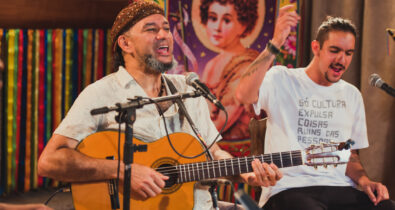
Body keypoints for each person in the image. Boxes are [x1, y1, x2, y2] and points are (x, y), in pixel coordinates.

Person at [37, 1, 282, 209]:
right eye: (151, 29)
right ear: (126, 44)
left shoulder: (189, 88)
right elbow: (49, 162)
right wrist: (122, 170)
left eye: (166, 28)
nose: (164, 35)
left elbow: (213, 153)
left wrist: (245, 174)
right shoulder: (101, 94)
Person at [236, 5, 395, 210]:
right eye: (335, 50)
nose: (342, 60)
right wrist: (275, 44)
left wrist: (364, 181)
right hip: (289, 188)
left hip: (339, 188)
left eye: (348, 53)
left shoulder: (352, 94)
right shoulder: (282, 78)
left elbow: (350, 155)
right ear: (316, 48)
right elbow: (243, 94)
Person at [199, 0, 260, 157]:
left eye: (226, 20)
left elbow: (220, 123)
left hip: (239, 158)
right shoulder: (211, 64)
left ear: (243, 25)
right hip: (212, 152)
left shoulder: (248, 64)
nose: (217, 27)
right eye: (213, 18)